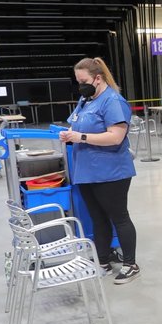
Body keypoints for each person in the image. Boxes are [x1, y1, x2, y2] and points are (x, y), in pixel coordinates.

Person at [59, 57, 140, 284]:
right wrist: (68, 134)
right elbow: (75, 124)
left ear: (98, 78)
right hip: (87, 171)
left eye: (83, 81)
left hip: (111, 171)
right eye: (77, 81)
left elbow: (116, 137)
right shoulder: (85, 100)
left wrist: (81, 137)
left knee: (119, 217)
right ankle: (102, 260)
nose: (80, 86)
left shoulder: (113, 101)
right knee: (98, 218)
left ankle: (131, 264)